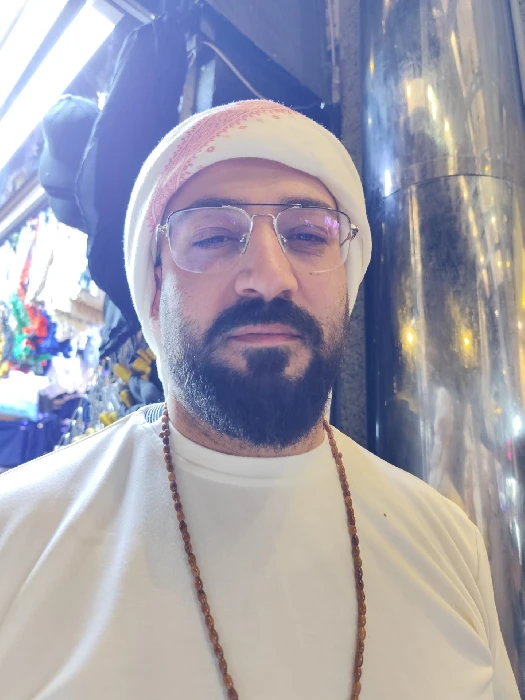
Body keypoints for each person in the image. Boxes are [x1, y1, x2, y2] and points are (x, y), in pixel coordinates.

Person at [0, 100, 518, 700]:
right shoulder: (17, 536)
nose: (270, 277)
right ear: (155, 286)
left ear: (347, 278)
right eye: (215, 237)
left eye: (308, 235)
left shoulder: (449, 542)